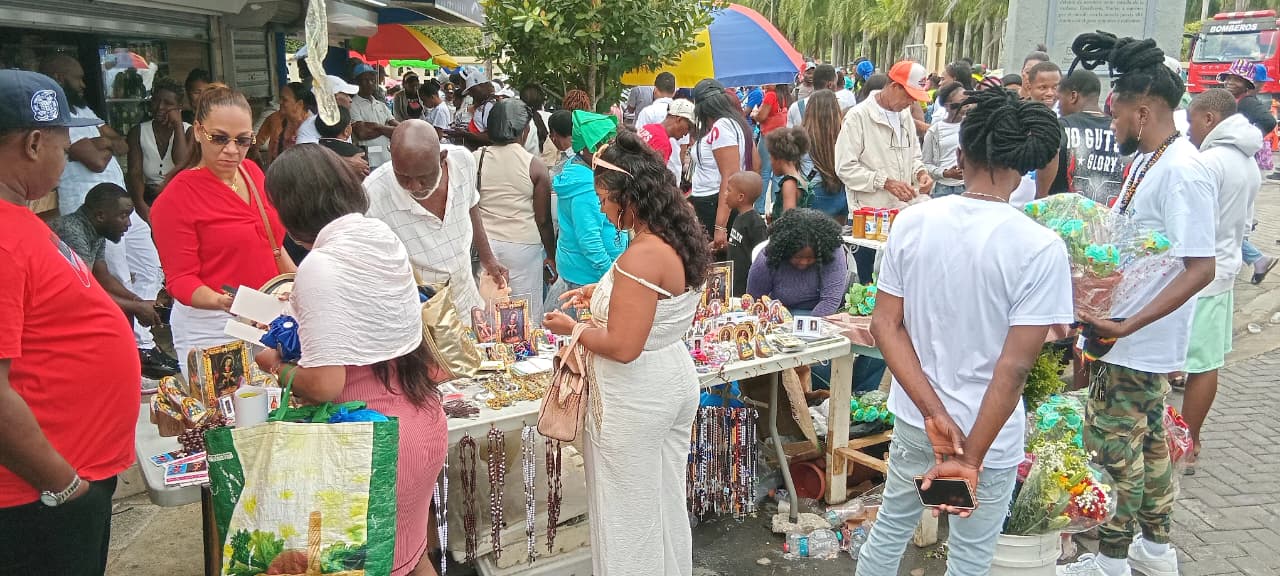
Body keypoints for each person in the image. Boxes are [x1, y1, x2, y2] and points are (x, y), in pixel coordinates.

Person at [857, 87, 1073, 576]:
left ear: (959, 157)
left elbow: (885, 325)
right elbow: (1014, 368)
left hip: (920, 422)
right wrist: (970, 459)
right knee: (971, 558)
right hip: (988, 436)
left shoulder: (913, 221)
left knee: (890, 530)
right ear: (1023, 168)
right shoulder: (1039, 247)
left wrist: (934, 413)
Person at [1057, 32, 1217, 576]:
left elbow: (1200, 266)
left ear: (1143, 112)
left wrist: (1127, 324)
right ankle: (1154, 550)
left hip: (1134, 340)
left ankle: (1111, 560)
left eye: (1117, 114)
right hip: (1126, 335)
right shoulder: (1153, 160)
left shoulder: (1181, 171)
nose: (1112, 125)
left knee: (1112, 450)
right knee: (1149, 447)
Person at [255, 144, 446, 576]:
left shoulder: (320, 264)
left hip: (369, 439)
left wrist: (275, 365)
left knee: (368, 564)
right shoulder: (380, 237)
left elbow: (326, 385)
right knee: (411, 554)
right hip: (419, 418)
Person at [540, 129, 712, 576]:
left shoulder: (643, 254)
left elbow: (622, 346)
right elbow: (656, 299)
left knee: (626, 519)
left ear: (629, 197)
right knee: (664, 503)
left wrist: (574, 329)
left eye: (604, 199)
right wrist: (600, 292)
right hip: (670, 381)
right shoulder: (675, 233)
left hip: (636, 396)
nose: (601, 208)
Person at [0, 69, 140, 575]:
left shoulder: (21, 220)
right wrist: (63, 484)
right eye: (63, 148)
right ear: (34, 143)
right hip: (38, 495)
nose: (66, 160)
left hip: (66, 481)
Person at [151, 84, 295, 371]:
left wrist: (299, 285)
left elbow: (274, 246)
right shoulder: (175, 198)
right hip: (212, 328)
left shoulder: (252, 173)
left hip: (269, 319)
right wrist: (223, 301)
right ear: (197, 131)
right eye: (219, 138)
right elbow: (181, 280)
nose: (231, 150)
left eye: (243, 140)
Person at [1180, 89, 1261, 474]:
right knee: (1206, 362)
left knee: (1196, 363)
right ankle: (1191, 441)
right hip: (1225, 269)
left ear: (1209, 119)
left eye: (1192, 121)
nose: (1189, 130)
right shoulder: (1248, 161)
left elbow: (1192, 223)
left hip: (1199, 276)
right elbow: (1246, 223)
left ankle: (1185, 444)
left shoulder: (1208, 162)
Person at [365, 120, 508, 322]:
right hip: (422, 314)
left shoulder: (463, 161)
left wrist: (488, 258)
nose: (414, 186)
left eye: (423, 177)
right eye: (403, 177)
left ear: (442, 159)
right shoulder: (374, 192)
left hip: (465, 297)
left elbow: (471, 206)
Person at [50, 182, 170, 376]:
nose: (128, 224)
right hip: (52, 308)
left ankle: (126, 370)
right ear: (100, 215)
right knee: (117, 314)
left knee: (125, 311)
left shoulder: (95, 230)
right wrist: (136, 307)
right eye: (123, 216)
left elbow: (103, 277)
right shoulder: (73, 232)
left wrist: (137, 301)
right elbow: (83, 290)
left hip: (71, 297)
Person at [836, 60, 933, 286]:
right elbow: (844, 168)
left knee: (900, 281)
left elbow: (914, 155)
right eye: (908, 96)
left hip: (903, 213)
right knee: (868, 284)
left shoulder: (904, 116)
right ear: (894, 86)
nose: (911, 102)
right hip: (869, 216)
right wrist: (885, 182)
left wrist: (921, 174)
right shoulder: (858, 117)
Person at [475, 99, 556, 316]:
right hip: (523, 247)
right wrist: (552, 255)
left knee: (489, 307)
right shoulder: (534, 165)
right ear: (525, 130)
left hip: (486, 245)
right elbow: (543, 220)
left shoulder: (476, 159)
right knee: (525, 310)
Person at [546, 110, 629, 311]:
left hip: (587, 273)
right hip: (588, 280)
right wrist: (611, 277)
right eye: (603, 145)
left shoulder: (584, 172)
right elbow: (589, 240)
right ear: (585, 150)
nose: (610, 151)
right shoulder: (586, 187)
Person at [1217, 59, 1278, 283]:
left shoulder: (1247, 103)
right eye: (1229, 78)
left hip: (1242, 160)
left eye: (1237, 80)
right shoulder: (1233, 101)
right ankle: (1256, 258)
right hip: (1237, 161)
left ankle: (1255, 257)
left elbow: (1268, 120)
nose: (1230, 82)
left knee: (1223, 221)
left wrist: (1248, 136)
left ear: (1247, 85)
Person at [746, 208, 847, 319]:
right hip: (779, 316)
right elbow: (755, 303)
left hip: (822, 316)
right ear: (785, 251)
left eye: (811, 258)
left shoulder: (831, 250)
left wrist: (806, 326)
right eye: (797, 257)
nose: (803, 262)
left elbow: (830, 301)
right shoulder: (766, 259)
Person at [1051, 69, 1126, 204]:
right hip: (1111, 215)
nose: (1058, 107)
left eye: (1058, 99)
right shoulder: (1120, 130)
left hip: (1062, 214)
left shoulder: (1060, 126)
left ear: (1073, 96)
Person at [691, 78, 751, 248]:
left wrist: (720, 227)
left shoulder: (722, 126)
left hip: (715, 204)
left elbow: (730, 176)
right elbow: (755, 164)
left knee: (717, 258)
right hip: (719, 202)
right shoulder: (737, 123)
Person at [126, 76, 188, 219]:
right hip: (149, 199)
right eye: (156, 101)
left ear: (179, 106)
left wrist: (178, 126)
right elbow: (135, 173)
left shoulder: (189, 132)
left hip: (182, 198)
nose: (160, 107)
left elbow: (182, 163)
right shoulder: (138, 132)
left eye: (168, 103)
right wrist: (140, 204)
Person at [800, 90, 850, 222]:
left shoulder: (802, 137)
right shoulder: (844, 135)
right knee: (837, 232)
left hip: (812, 193)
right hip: (841, 192)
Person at [922, 82, 968, 197]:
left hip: (967, 187)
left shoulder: (972, 127)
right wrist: (945, 173)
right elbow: (926, 163)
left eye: (968, 101)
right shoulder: (934, 131)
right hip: (942, 189)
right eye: (962, 101)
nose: (967, 105)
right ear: (947, 105)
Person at [351, 63, 398, 168]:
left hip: (388, 159)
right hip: (370, 162)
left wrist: (377, 127)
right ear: (357, 82)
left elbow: (398, 129)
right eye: (365, 80)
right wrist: (385, 129)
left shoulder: (380, 105)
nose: (370, 83)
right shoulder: (353, 105)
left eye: (372, 80)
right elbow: (362, 133)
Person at [726, 171, 766, 296]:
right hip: (734, 277)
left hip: (745, 283)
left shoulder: (756, 223)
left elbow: (761, 255)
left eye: (728, 190)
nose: (725, 194)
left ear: (740, 197)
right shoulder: (739, 216)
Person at [261, 82, 315, 164]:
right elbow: (256, 141)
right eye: (280, 98)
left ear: (299, 104)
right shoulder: (276, 120)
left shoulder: (313, 128)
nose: (280, 102)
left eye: (284, 100)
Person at [765, 126, 813, 218]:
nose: (770, 162)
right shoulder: (801, 179)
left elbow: (788, 220)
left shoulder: (789, 184)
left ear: (779, 159)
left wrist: (775, 222)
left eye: (771, 158)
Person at [637, 99, 695, 165]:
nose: (686, 134)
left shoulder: (647, 128)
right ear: (679, 119)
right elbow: (655, 171)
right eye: (689, 127)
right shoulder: (663, 143)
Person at [520, 84, 556, 167]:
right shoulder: (553, 118)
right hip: (552, 169)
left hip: (527, 169)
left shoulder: (519, 122)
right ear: (542, 101)